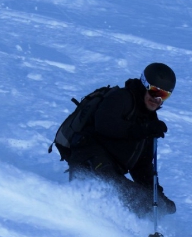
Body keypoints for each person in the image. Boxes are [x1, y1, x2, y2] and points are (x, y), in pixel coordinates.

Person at [67, 62, 177, 216]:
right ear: (145, 85)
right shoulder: (122, 98)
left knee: (144, 201)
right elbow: (104, 125)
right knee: (131, 196)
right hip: (89, 159)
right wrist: (143, 130)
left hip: (109, 169)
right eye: (154, 92)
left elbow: (141, 165)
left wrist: (157, 196)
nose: (157, 99)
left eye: (163, 95)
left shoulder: (150, 119)